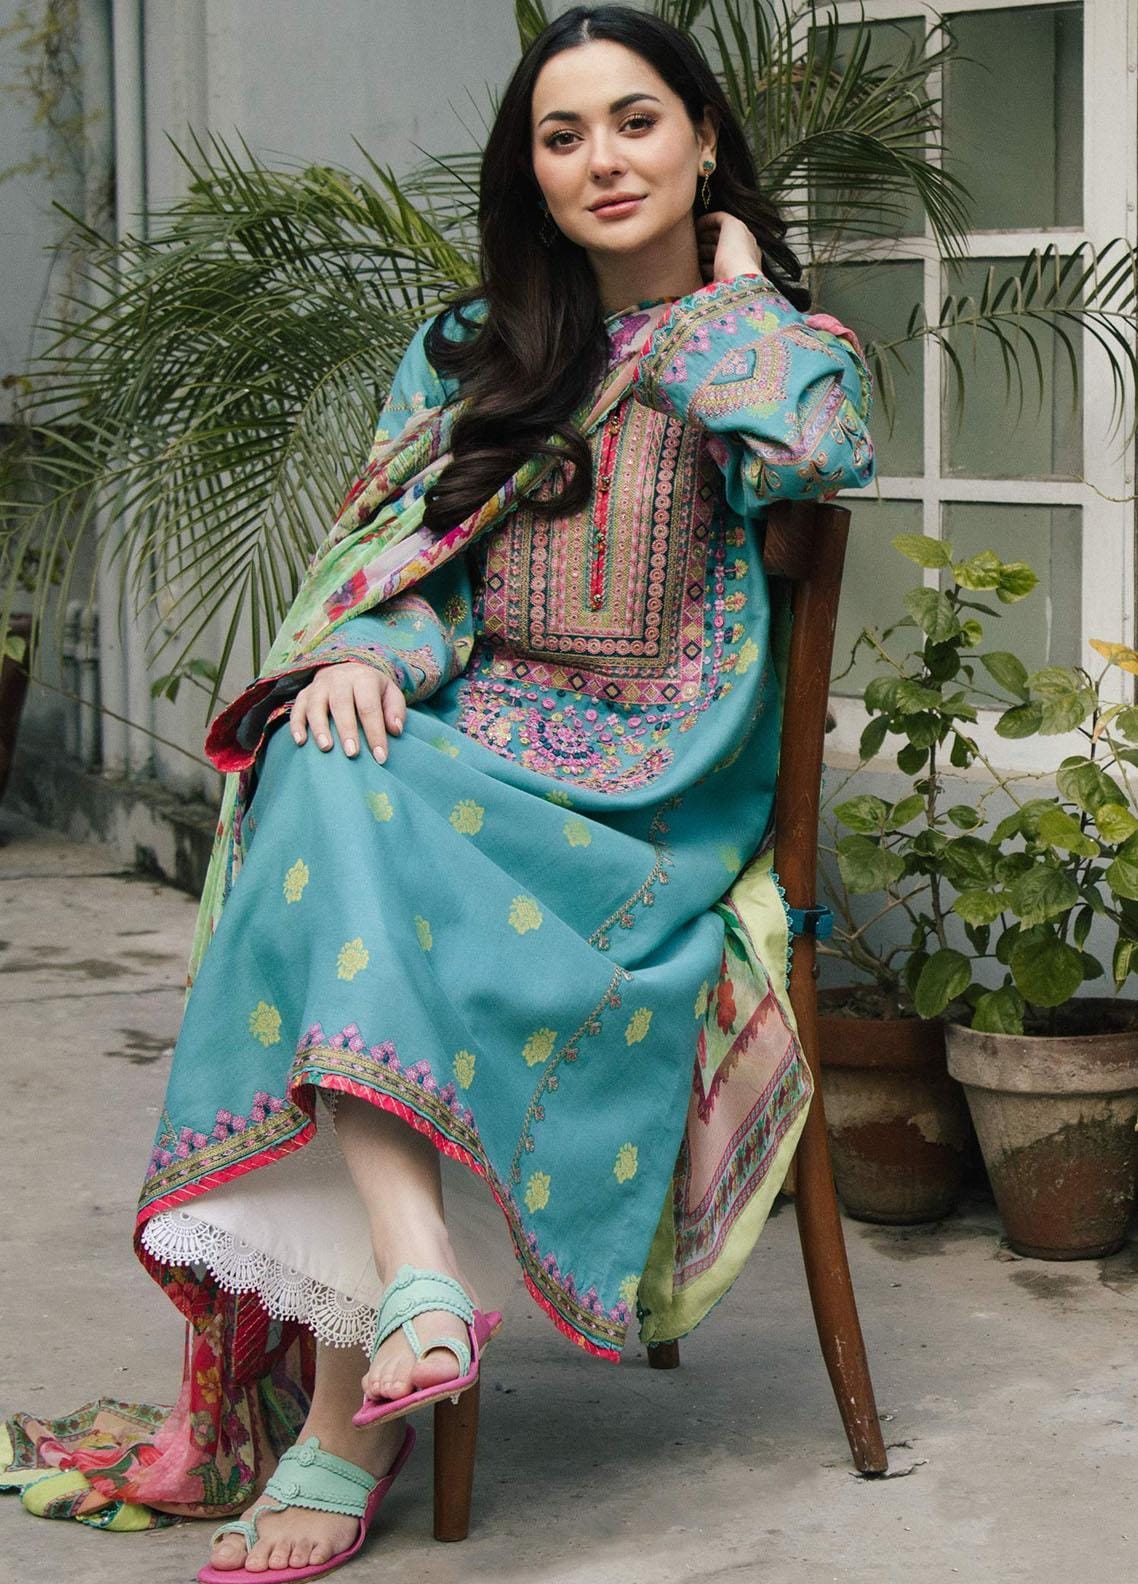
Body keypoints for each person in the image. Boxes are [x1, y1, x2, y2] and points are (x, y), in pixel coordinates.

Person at [1, 6, 873, 1578]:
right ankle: (407, 1296)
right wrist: (367, 653)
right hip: (462, 754)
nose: (601, 159)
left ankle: (355, 1420)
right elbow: (412, 568)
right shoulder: (475, 350)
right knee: (318, 754)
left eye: (635, 122)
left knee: (333, 819)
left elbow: (818, 447)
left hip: (645, 809)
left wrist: (727, 300)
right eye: (561, 136)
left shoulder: (773, 349)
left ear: (701, 140)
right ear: (528, 171)